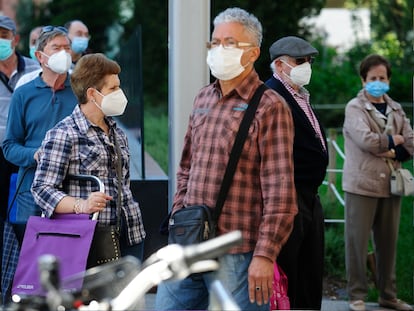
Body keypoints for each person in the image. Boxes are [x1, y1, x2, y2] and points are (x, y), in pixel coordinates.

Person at [155, 7, 297, 310]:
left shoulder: (270, 106)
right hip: (189, 242)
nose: (218, 49)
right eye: (214, 42)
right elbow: (185, 169)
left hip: (238, 251)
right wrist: (179, 217)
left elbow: (280, 192)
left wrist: (264, 255)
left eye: (229, 42)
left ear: (253, 53)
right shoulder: (203, 97)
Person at [31, 53, 146, 263]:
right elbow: (41, 189)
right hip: (87, 240)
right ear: (92, 93)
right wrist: (81, 205)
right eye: (113, 88)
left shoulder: (117, 132)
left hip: (130, 233)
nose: (120, 93)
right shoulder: (64, 134)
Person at [343, 54, 414, 311]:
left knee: (388, 244)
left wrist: (392, 148)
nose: (377, 82)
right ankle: (357, 295)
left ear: (389, 80)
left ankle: (388, 295)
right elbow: (367, 141)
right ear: (363, 80)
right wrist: (395, 141)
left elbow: (411, 141)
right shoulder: (354, 108)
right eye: (372, 78)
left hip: (390, 186)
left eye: (382, 78)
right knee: (357, 243)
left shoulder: (396, 108)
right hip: (361, 185)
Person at [265, 36, 328, 310]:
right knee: (290, 271)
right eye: (300, 61)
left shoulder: (299, 95)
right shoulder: (272, 95)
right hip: (288, 197)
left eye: (309, 61)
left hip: (309, 198)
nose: (307, 66)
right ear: (279, 65)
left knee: (310, 271)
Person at [3, 26, 76, 243]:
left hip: (73, 188)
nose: (63, 53)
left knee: (71, 253)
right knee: (32, 254)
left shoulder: (82, 92)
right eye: (56, 48)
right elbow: (9, 146)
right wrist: (36, 155)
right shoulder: (23, 94)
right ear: (40, 56)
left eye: (67, 48)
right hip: (31, 189)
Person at [0, 15, 39, 298]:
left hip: (25, 155)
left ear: (15, 38)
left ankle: (24, 286)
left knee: (23, 223)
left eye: (4, 34)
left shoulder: (36, 69)